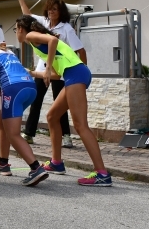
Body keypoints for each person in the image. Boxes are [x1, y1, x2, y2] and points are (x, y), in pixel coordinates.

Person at [15, 15, 112, 186]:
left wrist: (46, 70)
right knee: (52, 116)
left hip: (75, 74)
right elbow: (56, 75)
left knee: (81, 125)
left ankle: (101, 173)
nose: (16, 33)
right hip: (73, 74)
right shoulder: (36, 43)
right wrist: (33, 73)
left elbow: (52, 40)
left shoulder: (31, 37)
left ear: (21, 29)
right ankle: (56, 163)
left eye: (16, 29)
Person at [0, 37, 49, 186]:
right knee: (0, 119)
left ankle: (36, 168)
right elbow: (13, 72)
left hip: (13, 88)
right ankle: (2, 163)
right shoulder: (6, 50)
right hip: (29, 87)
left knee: (13, 133)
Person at [15, 0, 86, 148]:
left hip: (60, 69)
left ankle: (66, 136)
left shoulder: (66, 28)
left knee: (58, 102)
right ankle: (29, 133)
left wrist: (80, 75)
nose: (52, 12)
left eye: (55, 9)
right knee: (36, 99)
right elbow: (26, 15)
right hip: (43, 68)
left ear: (61, 12)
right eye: (50, 9)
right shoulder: (43, 23)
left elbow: (79, 50)